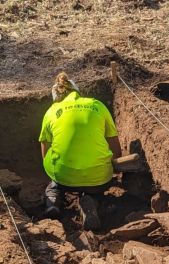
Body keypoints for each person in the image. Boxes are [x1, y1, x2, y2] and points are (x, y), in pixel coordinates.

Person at [39, 72, 121, 230]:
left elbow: (45, 151)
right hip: (98, 178)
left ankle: (53, 198)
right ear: (77, 91)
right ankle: (92, 200)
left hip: (63, 177)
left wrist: (52, 171)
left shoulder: (51, 111)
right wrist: (112, 168)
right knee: (95, 189)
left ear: (56, 96)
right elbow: (114, 145)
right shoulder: (97, 105)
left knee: (55, 180)